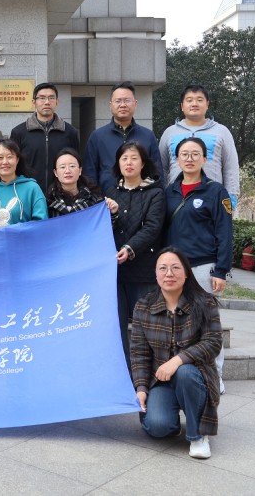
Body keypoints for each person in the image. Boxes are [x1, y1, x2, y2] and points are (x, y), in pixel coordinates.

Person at [131, 246, 222, 460]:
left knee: (184, 372)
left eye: (175, 268)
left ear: (186, 272)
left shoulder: (205, 302)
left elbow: (213, 342)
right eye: (163, 268)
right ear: (156, 274)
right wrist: (141, 388)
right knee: (157, 427)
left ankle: (198, 435)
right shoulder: (143, 306)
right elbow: (139, 353)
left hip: (196, 377)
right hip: (160, 381)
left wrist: (178, 360)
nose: (169, 274)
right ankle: (173, 419)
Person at [165, 136, 233, 394]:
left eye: (195, 154)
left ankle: (215, 375)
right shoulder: (169, 192)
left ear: (205, 159)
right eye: (184, 154)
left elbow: (225, 233)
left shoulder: (216, 192)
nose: (190, 158)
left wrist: (221, 269)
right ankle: (183, 374)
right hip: (174, 269)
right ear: (177, 159)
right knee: (177, 323)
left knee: (208, 323)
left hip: (205, 267)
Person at [105, 141, 165, 370]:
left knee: (147, 326)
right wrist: (112, 213)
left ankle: (151, 374)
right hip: (116, 273)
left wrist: (130, 249)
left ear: (143, 163)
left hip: (143, 271)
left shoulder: (155, 193)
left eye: (134, 158)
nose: (129, 163)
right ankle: (124, 375)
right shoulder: (111, 193)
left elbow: (152, 228)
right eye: (124, 158)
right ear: (118, 164)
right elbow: (105, 228)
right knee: (117, 328)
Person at [160, 83, 240, 208]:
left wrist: (231, 199)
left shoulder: (222, 132)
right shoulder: (169, 133)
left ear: (207, 104)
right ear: (182, 106)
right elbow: (162, 168)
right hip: (176, 200)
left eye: (199, 100)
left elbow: (230, 167)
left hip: (212, 200)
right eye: (189, 100)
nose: (194, 104)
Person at [84, 81, 164, 192]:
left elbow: (157, 173)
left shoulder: (148, 135)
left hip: (142, 198)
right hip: (106, 199)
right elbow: (90, 174)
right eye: (118, 101)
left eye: (127, 100)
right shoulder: (97, 137)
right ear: (110, 104)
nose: (123, 105)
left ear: (135, 103)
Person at [11, 82, 80, 194]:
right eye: (42, 98)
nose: (47, 102)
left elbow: (76, 164)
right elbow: (14, 166)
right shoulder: (19, 132)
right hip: (28, 193)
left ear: (57, 102)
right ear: (34, 102)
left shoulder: (70, 132)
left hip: (61, 194)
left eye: (51, 98)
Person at [0, 138, 47, 228]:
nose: (5, 162)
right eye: (0, 157)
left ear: (17, 160)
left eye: (9, 157)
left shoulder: (32, 188)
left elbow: (41, 223)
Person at [46, 148, 107, 218]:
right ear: (55, 173)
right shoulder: (48, 201)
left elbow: (105, 221)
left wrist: (113, 212)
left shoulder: (95, 198)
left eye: (72, 166)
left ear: (80, 170)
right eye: (62, 167)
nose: (67, 171)